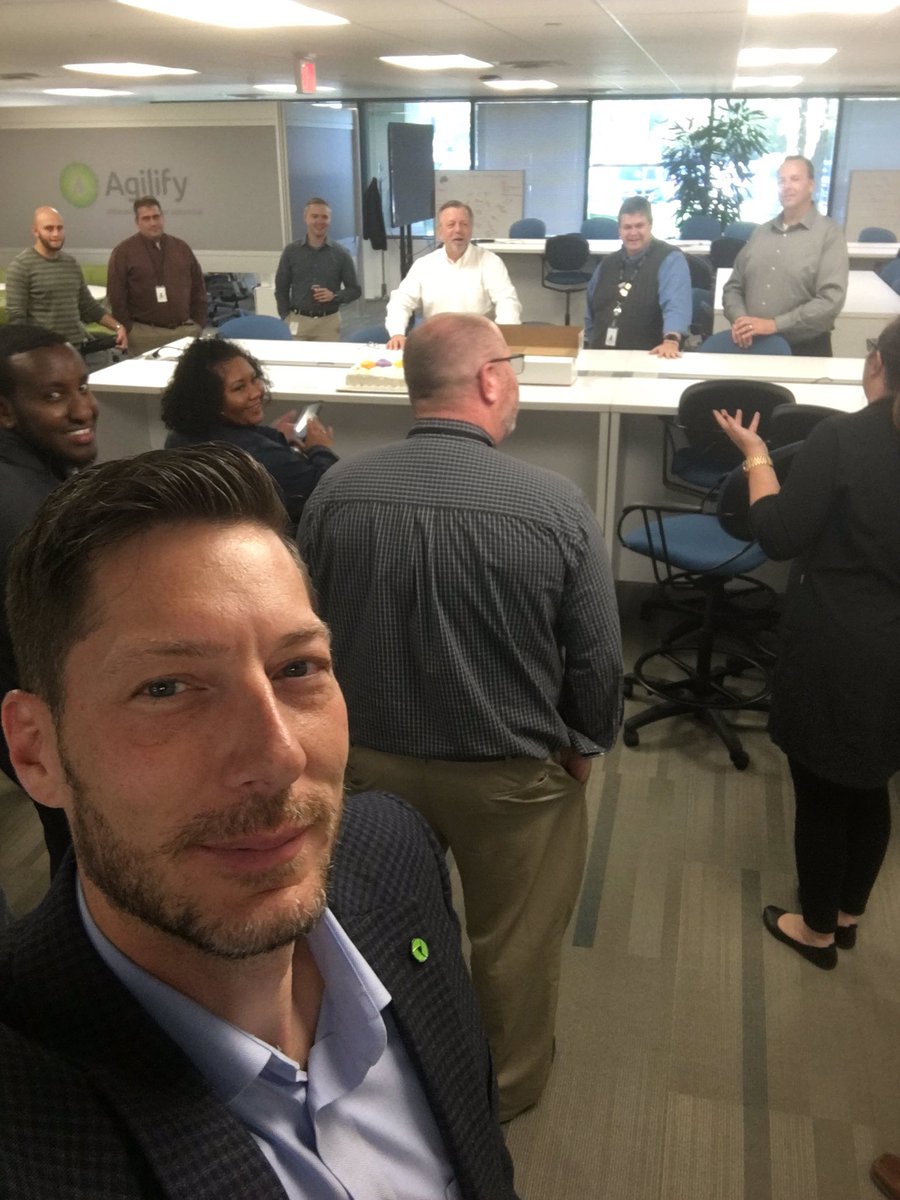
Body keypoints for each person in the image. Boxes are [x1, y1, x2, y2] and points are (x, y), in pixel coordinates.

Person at [0, 444, 517, 1200]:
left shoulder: (391, 850)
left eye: (297, 668)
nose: (277, 757)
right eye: (167, 687)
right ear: (34, 751)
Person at [299, 312, 623, 1122]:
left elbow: (306, 635)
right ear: (488, 379)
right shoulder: (554, 504)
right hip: (511, 778)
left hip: (367, 767)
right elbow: (596, 660)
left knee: (374, 924)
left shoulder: (336, 492)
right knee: (512, 947)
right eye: (510, 368)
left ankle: (383, 1073)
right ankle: (502, 1093)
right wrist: (585, 744)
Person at [713, 317, 900, 970]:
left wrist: (756, 456)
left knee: (821, 789)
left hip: (838, 644)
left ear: (875, 363)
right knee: (871, 781)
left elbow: (778, 533)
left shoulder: (843, 438)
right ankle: (847, 912)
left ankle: (817, 929)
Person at [0, 323, 98, 876]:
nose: (82, 409)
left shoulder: (39, 486)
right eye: (54, 396)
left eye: (82, 387)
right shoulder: (37, 519)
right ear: (6, 411)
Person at [161, 337, 337, 529]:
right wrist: (320, 448)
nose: (255, 392)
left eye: (254, 379)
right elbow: (329, 493)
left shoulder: (178, 437)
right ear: (209, 399)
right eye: (239, 388)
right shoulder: (258, 455)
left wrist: (272, 437)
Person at [722, 156, 849, 356]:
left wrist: (774, 325)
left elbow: (830, 301)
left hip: (804, 351)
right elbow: (733, 287)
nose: (787, 186)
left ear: (811, 185)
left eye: (795, 179)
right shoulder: (760, 233)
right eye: (782, 181)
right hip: (752, 346)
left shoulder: (829, 235)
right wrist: (741, 320)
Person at [385, 202, 522, 350]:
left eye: (464, 224)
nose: (458, 230)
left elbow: (507, 301)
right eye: (451, 225)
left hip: (477, 344)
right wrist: (397, 333)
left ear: (471, 229)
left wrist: (505, 336)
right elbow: (401, 301)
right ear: (440, 232)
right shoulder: (424, 265)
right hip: (436, 343)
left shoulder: (490, 261)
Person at [5, 206, 127, 355]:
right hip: (44, 353)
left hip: (77, 349)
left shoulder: (71, 263)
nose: (56, 234)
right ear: (35, 231)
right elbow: (17, 319)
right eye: (49, 228)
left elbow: (88, 306)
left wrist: (118, 327)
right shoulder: (21, 266)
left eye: (59, 228)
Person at [583, 195, 691, 357]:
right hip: (602, 354)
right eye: (627, 227)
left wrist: (671, 340)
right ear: (619, 230)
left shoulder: (670, 259)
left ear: (650, 225)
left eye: (639, 226)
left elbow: (676, 304)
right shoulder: (607, 263)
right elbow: (590, 311)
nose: (633, 233)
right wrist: (591, 345)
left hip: (651, 356)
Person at [107, 195, 208, 356]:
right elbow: (116, 295)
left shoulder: (181, 248)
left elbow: (198, 287)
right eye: (146, 219)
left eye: (156, 217)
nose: (153, 223)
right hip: (144, 335)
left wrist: (199, 323)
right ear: (137, 222)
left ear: (163, 217)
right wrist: (129, 329)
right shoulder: (124, 252)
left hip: (184, 331)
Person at [275, 198, 362, 342]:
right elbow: (281, 288)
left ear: (329, 220)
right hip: (298, 322)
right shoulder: (291, 251)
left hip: (328, 323)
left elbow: (355, 290)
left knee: (328, 357)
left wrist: (334, 296)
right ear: (305, 218)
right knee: (296, 357)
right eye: (314, 216)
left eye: (324, 217)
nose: (320, 221)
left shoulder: (341, 253)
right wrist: (285, 317)